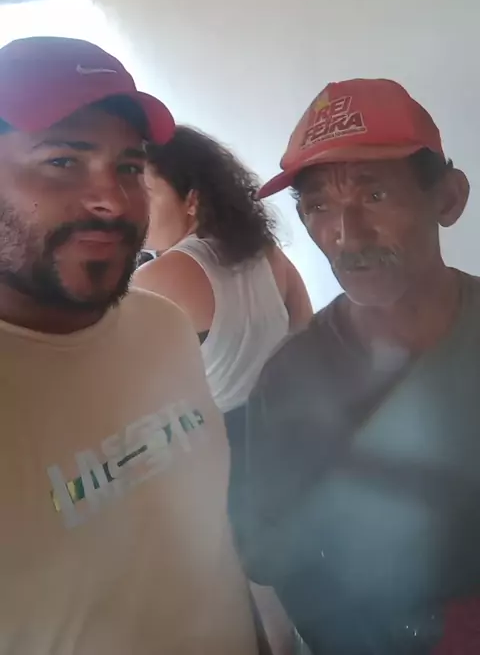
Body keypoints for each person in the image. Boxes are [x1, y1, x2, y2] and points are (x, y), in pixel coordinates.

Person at [0, 36, 260, 655]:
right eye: (63, 160)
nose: (111, 201)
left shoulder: (164, 326)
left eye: (129, 168)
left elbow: (213, 547)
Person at [237, 78, 480, 655]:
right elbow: (273, 554)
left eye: (374, 195)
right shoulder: (291, 380)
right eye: (319, 206)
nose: (346, 236)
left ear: (448, 199)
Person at [134, 126, 312, 655]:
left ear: (190, 199)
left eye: (144, 190)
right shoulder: (265, 252)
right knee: (292, 584)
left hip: (222, 449)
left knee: (256, 599)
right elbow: (305, 331)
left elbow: (130, 391)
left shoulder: (160, 277)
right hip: (287, 429)